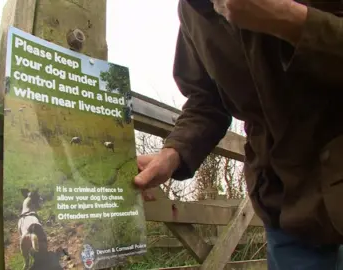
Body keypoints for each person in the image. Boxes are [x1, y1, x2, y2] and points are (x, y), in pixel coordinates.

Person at [134, 0, 343, 269]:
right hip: (285, 200)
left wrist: (289, 19)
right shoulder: (191, 10)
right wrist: (173, 153)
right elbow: (206, 100)